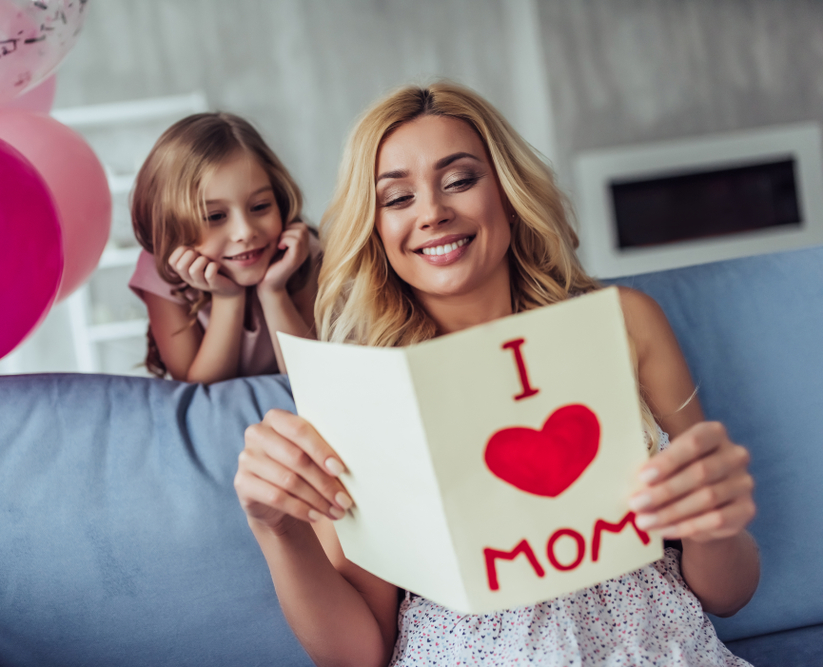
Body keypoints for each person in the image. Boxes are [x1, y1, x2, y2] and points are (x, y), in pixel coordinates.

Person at [233, 82, 758, 666]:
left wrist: (715, 521)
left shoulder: (623, 324)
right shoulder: (362, 391)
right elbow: (358, 655)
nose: (433, 212)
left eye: (459, 180)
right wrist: (277, 531)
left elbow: (729, 593)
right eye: (398, 198)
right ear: (376, 229)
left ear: (506, 194)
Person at [129, 113, 320, 382]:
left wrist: (274, 291)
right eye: (215, 217)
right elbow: (197, 392)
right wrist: (228, 298)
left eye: (260, 206)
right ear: (173, 225)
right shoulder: (160, 274)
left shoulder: (300, 251)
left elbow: (314, 377)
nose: (245, 232)